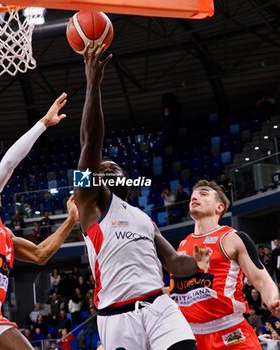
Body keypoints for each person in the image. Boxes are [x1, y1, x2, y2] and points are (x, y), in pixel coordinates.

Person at [74, 43, 211, 350]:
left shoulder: (144, 218)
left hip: (157, 306)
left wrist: (197, 263)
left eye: (112, 165)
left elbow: (174, 262)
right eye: (101, 165)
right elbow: (89, 142)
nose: (105, 165)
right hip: (116, 317)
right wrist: (92, 85)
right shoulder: (88, 205)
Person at [0, 93, 79, 350]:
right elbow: (8, 163)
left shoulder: (4, 235)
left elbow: (41, 254)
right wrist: (43, 123)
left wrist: (71, 220)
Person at [170, 179, 280, 349]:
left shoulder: (232, 238)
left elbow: (261, 280)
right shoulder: (182, 246)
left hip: (229, 332)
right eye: (193, 194)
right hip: (192, 336)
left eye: (204, 193)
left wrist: (272, 299)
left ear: (219, 207)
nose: (195, 196)